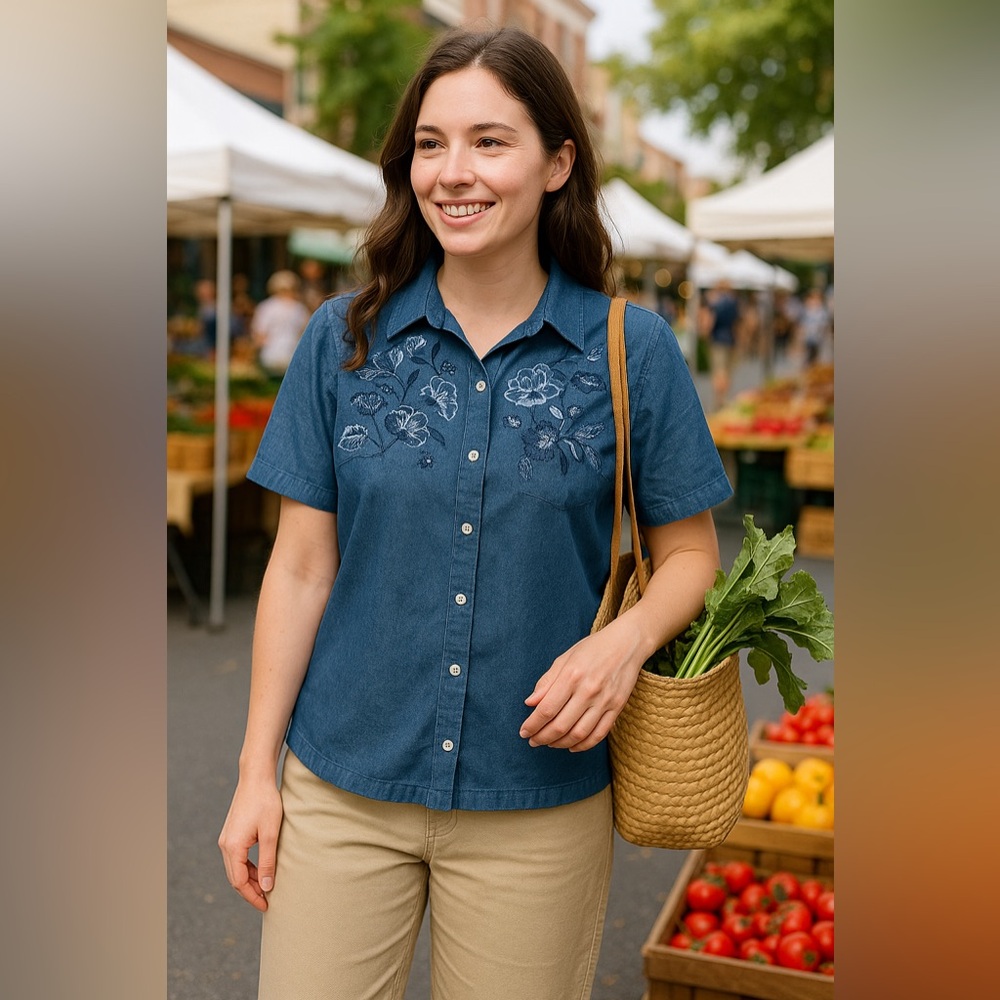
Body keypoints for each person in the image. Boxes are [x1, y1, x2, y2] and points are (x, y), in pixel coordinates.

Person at [218, 26, 732, 1000]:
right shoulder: (343, 339)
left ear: (557, 163)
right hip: (342, 786)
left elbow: (690, 556)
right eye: (430, 142)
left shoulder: (631, 350)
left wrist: (621, 644)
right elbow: (297, 568)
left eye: (490, 141)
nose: (453, 171)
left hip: (535, 802)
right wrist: (256, 774)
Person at [250, 270, 311, 375]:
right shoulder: (300, 309)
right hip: (293, 356)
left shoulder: (266, 307)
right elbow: (306, 335)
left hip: (270, 356)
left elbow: (259, 336)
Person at [701, 278, 740, 409]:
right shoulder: (733, 302)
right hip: (731, 339)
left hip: (717, 339)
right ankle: (725, 398)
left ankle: (719, 400)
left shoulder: (716, 303)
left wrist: (705, 335)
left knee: (719, 371)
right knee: (728, 372)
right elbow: (737, 323)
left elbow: (709, 322)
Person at [796, 286, 832, 368]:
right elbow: (801, 326)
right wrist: (798, 340)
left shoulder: (822, 312)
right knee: (806, 358)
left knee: (815, 358)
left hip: (818, 339)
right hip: (807, 338)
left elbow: (825, 326)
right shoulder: (805, 311)